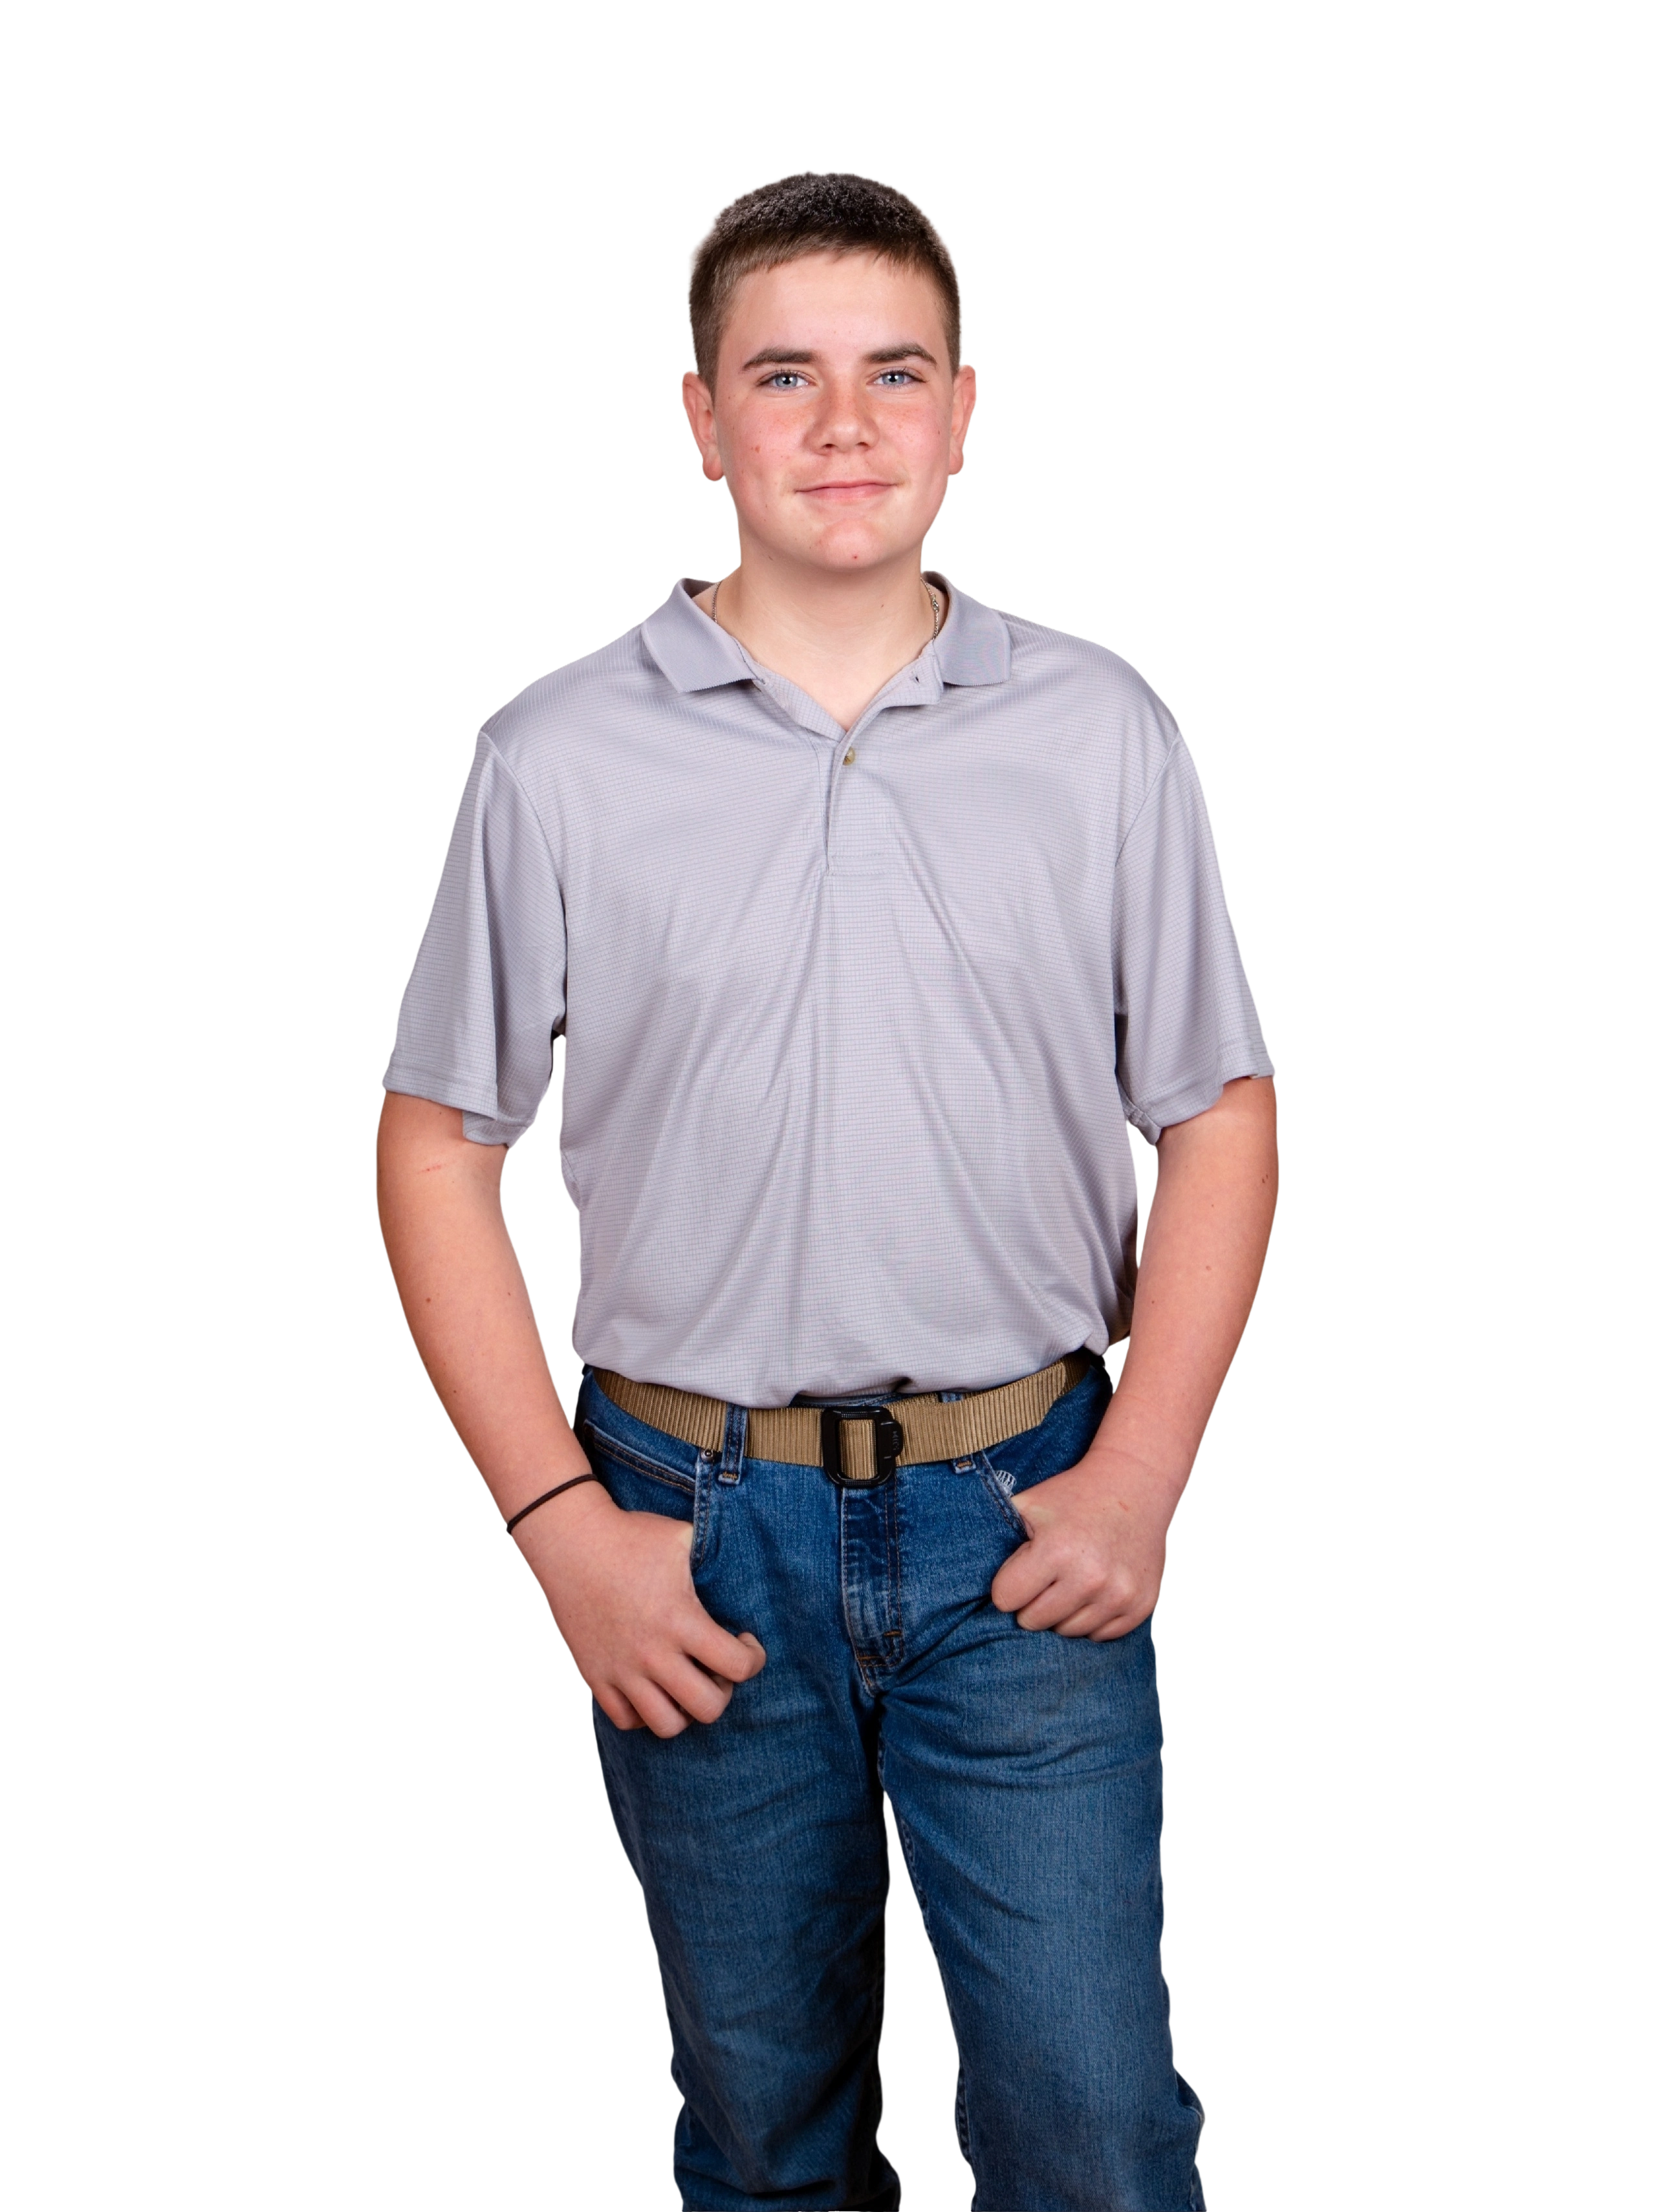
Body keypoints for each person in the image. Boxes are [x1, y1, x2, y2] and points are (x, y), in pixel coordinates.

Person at [374, 166, 1278, 2212]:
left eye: (897, 372)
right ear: (705, 420)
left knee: (1095, 2125)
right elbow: (435, 1139)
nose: (846, 424)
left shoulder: (1099, 732)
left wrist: (1141, 1474)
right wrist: (562, 1532)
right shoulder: (558, 756)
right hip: (688, 1540)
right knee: (766, 2128)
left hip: (1022, 1515)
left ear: (967, 412)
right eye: (785, 375)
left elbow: (1219, 1110)